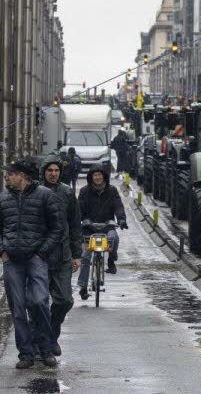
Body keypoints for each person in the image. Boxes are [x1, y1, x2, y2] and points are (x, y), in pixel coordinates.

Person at [0, 158, 64, 368]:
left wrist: (42, 253)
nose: (6, 177)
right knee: (17, 310)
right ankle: (26, 354)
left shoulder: (45, 196)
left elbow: (57, 228)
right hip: (12, 261)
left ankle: (45, 348)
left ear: (21, 176)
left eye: (10, 173)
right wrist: (3, 252)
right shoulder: (3, 198)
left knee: (39, 302)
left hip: (36, 258)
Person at [40, 158, 81, 356]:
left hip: (64, 255)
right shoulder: (36, 191)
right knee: (38, 302)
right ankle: (41, 344)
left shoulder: (67, 192)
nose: (53, 173)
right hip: (40, 256)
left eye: (56, 170)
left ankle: (51, 335)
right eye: (50, 170)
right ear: (44, 172)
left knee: (64, 300)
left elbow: (74, 224)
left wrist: (77, 254)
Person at [77, 167, 127, 296]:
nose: (98, 177)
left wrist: (121, 219)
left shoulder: (112, 190)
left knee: (114, 238)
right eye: (95, 175)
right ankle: (83, 286)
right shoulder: (84, 191)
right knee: (85, 256)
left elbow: (118, 206)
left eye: (100, 175)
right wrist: (78, 221)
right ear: (91, 177)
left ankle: (111, 260)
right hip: (89, 228)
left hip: (107, 226)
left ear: (104, 177)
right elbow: (78, 209)